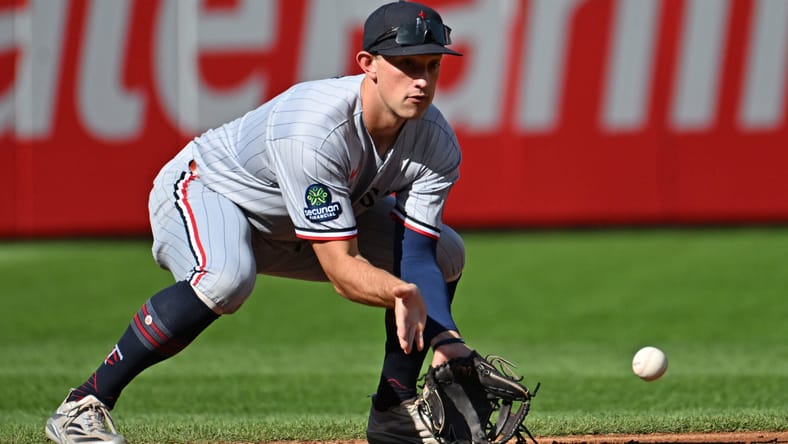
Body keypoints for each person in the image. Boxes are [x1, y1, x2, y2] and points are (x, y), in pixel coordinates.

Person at [45, 2, 471, 443]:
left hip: (293, 223)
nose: (422, 80)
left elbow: (418, 255)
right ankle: (84, 403)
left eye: (432, 65)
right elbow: (343, 270)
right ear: (368, 64)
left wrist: (446, 337)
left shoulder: (435, 140)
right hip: (211, 191)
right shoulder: (315, 128)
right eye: (407, 64)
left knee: (446, 254)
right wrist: (398, 291)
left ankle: (394, 409)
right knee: (224, 280)